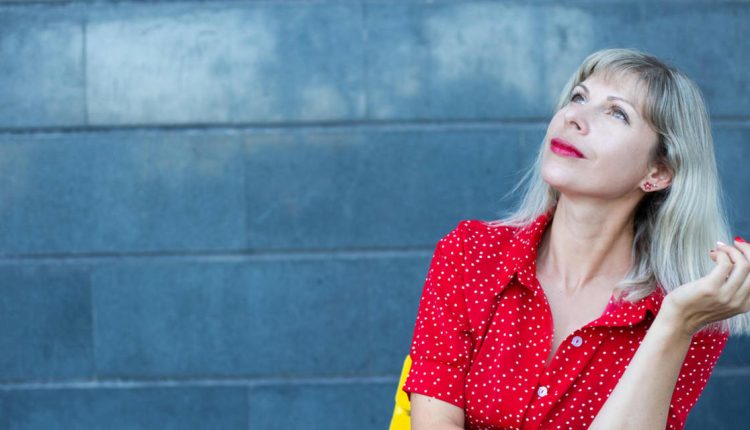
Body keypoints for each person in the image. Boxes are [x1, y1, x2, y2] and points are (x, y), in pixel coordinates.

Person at [402, 48, 750, 430]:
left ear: (658, 172)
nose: (574, 117)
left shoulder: (688, 309)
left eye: (617, 113)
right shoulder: (470, 253)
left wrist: (676, 324)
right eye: (578, 97)